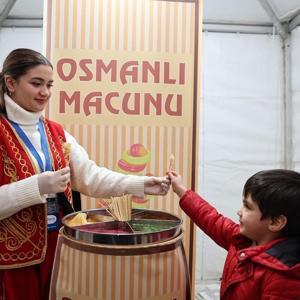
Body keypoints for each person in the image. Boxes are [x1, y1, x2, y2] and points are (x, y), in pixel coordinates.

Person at [0, 48, 170, 300]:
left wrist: (142, 184)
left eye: (49, 84)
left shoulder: (57, 132)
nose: (45, 92)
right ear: (10, 83)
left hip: (58, 247)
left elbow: (91, 177)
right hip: (11, 263)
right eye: (36, 83)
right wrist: (36, 186)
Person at [168, 169, 300, 300]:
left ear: (276, 222)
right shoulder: (241, 239)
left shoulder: (284, 279)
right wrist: (181, 190)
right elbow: (211, 219)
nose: (239, 211)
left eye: (247, 206)